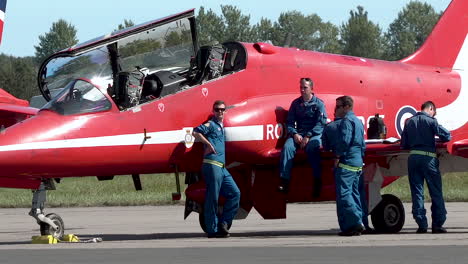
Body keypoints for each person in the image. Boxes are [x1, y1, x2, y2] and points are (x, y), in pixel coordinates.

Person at [400, 101, 451, 234]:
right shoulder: (431, 121)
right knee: (435, 191)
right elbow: (447, 136)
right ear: (431, 109)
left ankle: (422, 224)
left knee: (417, 192)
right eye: (434, 112)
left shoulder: (409, 122)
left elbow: (404, 144)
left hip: (413, 159)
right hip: (428, 158)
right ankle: (437, 224)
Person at [192, 100, 241, 238]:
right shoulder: (211, 124)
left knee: (235, 193)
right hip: (212, 164)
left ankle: (223, 223)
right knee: (212, 198)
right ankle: (212, 230)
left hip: (222, 167)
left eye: (222, 110)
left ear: (225, 111)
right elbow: (196, 132)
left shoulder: (221, 125)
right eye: (217, 109)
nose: (220, 112)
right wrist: (208, 144)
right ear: (213, 111)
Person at [322, 96, 365, 236]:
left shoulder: (347, 122)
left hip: (347, 163)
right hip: (358, 162)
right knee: (355, 194)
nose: (336, 110)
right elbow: (363, 144)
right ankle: (353, 227)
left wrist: (337, 156)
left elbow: (345, 142)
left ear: (346, 107)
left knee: (344, 194)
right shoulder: (358, 121)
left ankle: (356, 221)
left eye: (338, 107)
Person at [278, 77, 327, 197]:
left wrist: (309, 136)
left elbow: (321, 123)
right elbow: (289, 122)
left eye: (305, 87)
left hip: (314, 134)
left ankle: (317, 181)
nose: (302, 90)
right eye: (301, 87)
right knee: (287, 148)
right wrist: (294, 134)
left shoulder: (319, 104)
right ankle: (284, 181)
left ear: (311, 88)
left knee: (312, 148)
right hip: (299, 133)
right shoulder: (295, 103)